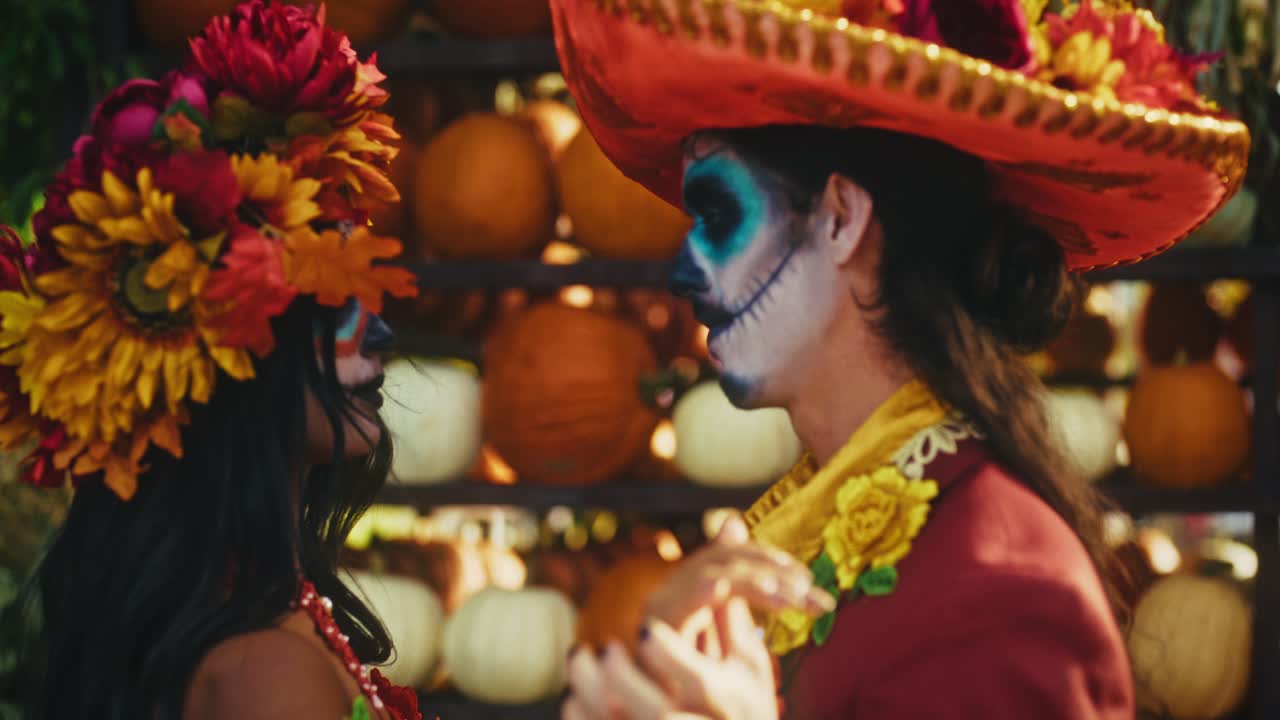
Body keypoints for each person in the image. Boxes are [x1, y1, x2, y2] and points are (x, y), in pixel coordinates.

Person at [552, 0, 1250, 718]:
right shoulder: (811, 534)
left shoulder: (1004, 591)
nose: (685, 272)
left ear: (840, 219)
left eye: (721, 218)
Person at [0, 2, 421, 718]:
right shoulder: (267, 671)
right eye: (336, 298)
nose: (379, 333)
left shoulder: (258, 627)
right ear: (231, 353)